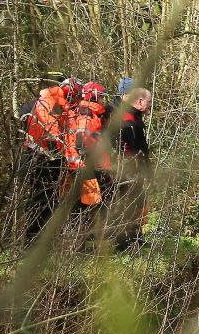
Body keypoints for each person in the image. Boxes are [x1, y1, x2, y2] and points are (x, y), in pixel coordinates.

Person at [19, 78, 70, 242]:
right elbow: (53, 135)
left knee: (37, 199)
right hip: (47, 159)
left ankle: (34, 238)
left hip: (30, 155)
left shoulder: (30, 105)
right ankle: (37, 239)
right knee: (45, 200)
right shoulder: (54, 104)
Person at [108, 85, 151, 250]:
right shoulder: (125, 117)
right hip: (126, 169)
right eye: (149, 102)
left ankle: (135, 237)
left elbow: (141, 145)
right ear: (139, 101)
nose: (150, 105)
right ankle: (123, 241)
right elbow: (124, 146)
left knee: (139, 202)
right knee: (127, 203)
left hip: (135, 168)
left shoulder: (135, 115)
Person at [62, 81, 109, 210]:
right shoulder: (86, 116)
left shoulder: (83, 113)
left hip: (79, 168)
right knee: (91, 208)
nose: (103, 100)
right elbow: (81, 144)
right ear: (94, 97)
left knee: (83, 207)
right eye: (101, 97)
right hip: (86, 170)